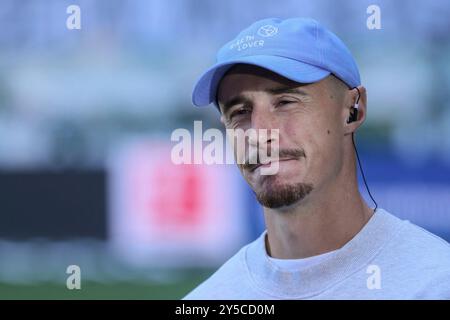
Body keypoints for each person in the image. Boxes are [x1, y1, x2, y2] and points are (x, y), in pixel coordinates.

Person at [184, 17, 450, 299]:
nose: (259, 133)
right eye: (239, 112)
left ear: (353, 111)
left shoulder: (435, 283)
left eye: (286, 102)